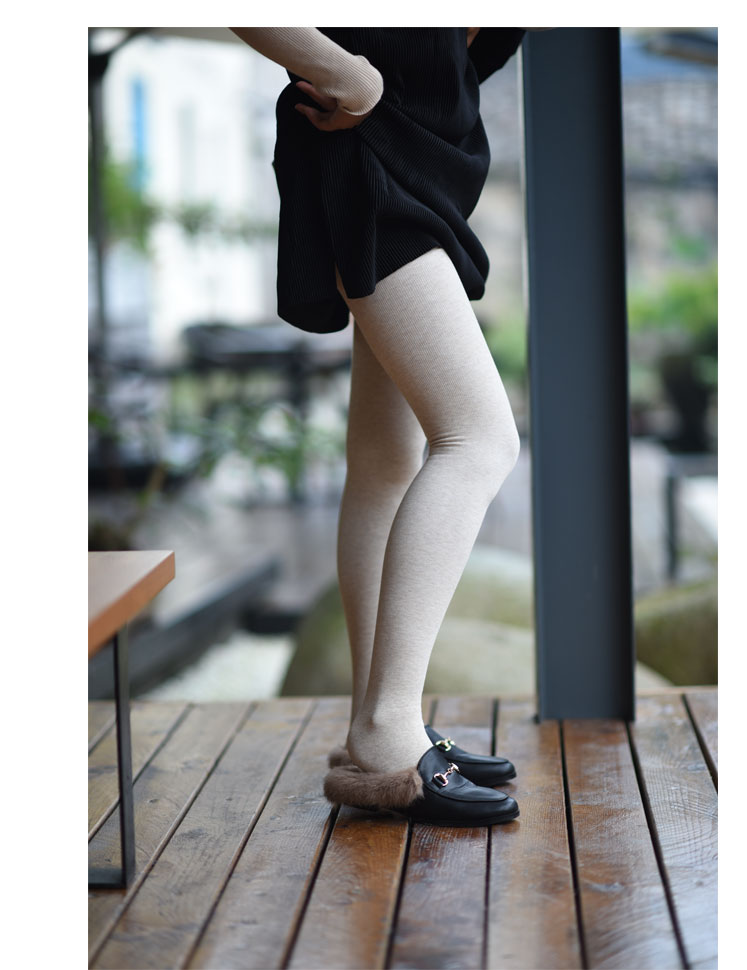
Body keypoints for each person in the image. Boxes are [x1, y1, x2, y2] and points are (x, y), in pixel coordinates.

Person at [230, 27, 528, 826]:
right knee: (479, 439)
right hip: (368, 157)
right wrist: (342, 70)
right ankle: (386, 726)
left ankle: (379, 722)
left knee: (387, 460)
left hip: (419, 166)